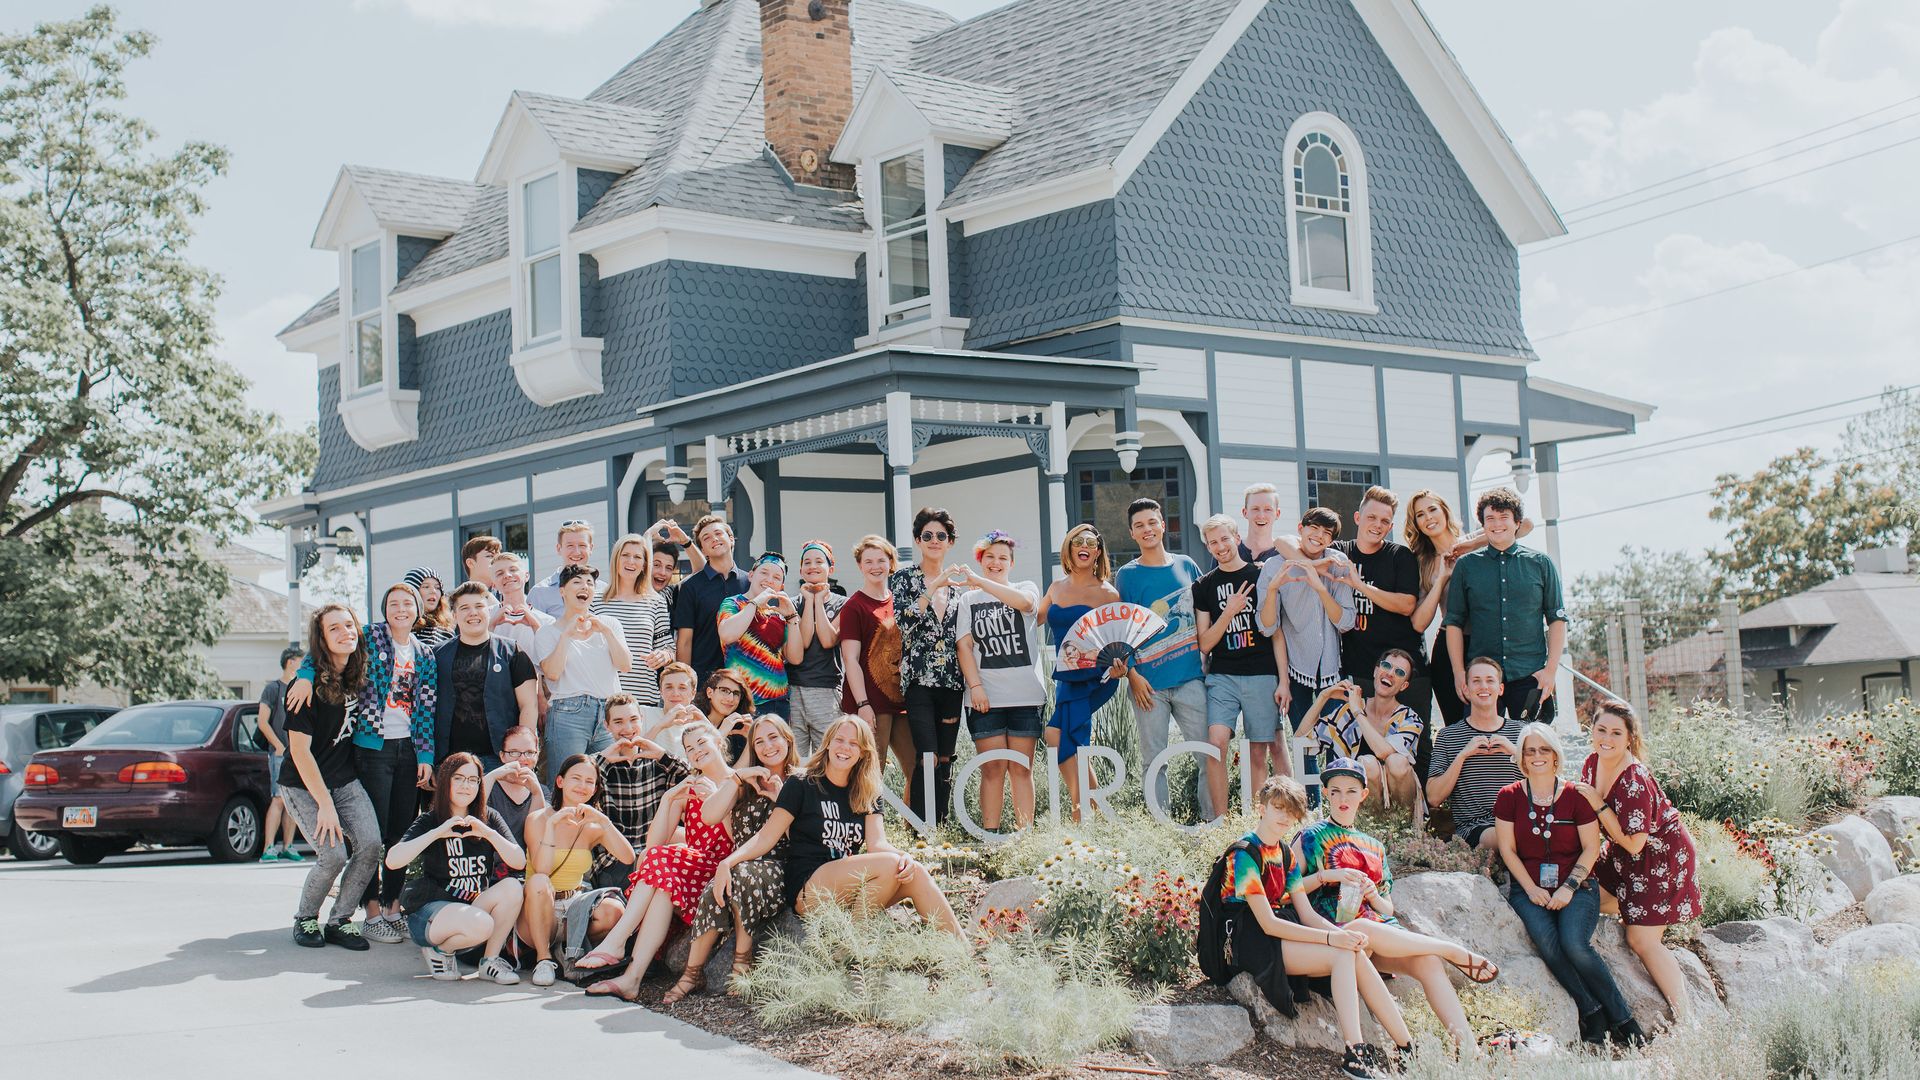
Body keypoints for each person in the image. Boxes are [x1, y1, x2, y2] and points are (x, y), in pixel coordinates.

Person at [1293, 758, 1498, 1051]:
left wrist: (1373, 895)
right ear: (1325, 793)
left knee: (1428, 962)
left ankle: (1469, 1051)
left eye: (1351, 791)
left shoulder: (1374, 845)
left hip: (1378, 936)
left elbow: (1387, 908)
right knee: (1363, 927)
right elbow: (1287, 887)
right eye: (1335, 791)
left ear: (1364, 794)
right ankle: (1450, 949)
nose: (1342, 798)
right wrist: (1327, 876)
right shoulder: (1310, 837)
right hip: (1336, 934)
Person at [1217, 775, 1411, 1079]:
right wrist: (1332, 938)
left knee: (1353, 951)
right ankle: (1355, 1052)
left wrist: (1343, 935)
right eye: (1278, 808)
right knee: (1341, 953)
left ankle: (1407, 1047)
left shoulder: (1285, 854)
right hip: (1249, 940)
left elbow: (1306, 914)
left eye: (1291, 811)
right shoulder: (1245, 853)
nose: (1284, 817)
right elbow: (1267, 923)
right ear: (1261, 808)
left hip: (1279, 932)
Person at [284, 583, 440, 943]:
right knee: (341, 851)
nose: (401, 609)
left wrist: (426, 754)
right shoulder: (368, 638)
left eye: (408, 603)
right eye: (393, 603)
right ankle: (335, 915)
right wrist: (304, 676)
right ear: (383, 610)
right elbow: (320, 652)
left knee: (387, 837)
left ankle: (372, 911)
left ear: (419, 611)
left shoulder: (422, 655)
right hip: (359, 756)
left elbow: (426, 707)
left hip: (395, 755)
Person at [714, 715, 962, 936]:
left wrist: (905, 856)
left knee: (915, 872)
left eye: (854, 743)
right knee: (890, 864)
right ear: (828, 743)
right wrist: (728, 862)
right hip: (810, 886)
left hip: (852, 887)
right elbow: (767, 837)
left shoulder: (868, 791)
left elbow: (877, 844)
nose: (845, 748)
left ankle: (963, 954)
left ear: (863, 752)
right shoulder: (802, 783)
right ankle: (853, 946)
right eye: (840, 740)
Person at [1496, 722, 1642, 1047]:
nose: (1536, 756)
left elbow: (1591, 848)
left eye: (1543, 749)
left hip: (1577, 886)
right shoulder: (1509, 797)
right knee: (1549, 945)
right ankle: (1592, 1012)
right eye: (1529, 751)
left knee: (1574, 944)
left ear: (1555, 755)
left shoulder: (1576, 795)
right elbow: (1507, 850)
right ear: (1521, 758)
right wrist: (1530, 889)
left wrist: (1568, 887)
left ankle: (1623, 1018)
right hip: (1528, 889)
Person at [583, 722, 739, 1000]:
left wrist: (716, 800)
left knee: (662, 868)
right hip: (691, 872)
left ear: (718, 741)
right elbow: (653, 847)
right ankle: (631, 979)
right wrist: (668, 799)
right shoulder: (690, 788)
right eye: (689, 749)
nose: (696, 751)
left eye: (701, 743)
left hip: (723, 872)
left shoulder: (738, 781)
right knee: (661, 882)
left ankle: (618, 941)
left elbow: (740, 840)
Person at [1571, 701, 1700, 1027]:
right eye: (1601, 730)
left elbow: (1634, 842)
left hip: (1659, 857)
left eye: (1616, 733)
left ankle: (1689, 1021)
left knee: (1640, 940)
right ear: (1591, 730)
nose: (1607, 739)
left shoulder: (1634, 780)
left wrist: (1598, 804)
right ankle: (1636, 907)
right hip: (1620, 857)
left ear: (1629, 738)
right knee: (1581, 892)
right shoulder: (1591, 763)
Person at [664, 715, 803, 1004]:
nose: (767, 746)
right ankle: (692, 973)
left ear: (788, 739)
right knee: (716, 888)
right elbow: (709, 815)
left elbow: (803, 838)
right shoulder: (745, 780)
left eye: (773, 737)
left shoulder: (801, 781)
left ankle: (742, 961)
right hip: (738, 863)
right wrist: (737, 778)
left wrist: (779, 798)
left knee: (740, 874)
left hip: (780, 866)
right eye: (759, 741)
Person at [280, 604, 380, 951]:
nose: (345, 632)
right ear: (321, 640)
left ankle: (339, 920)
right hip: (303, 783)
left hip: (344, 779)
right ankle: (306, 917)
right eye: (333, 628)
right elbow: (299, 752)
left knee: (370, 845)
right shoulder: (303, 688)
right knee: (333, 855)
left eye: (349, 625)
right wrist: (324, 804)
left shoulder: (359, 673)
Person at [385, 752, 526, 983]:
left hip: (473, 911)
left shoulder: (488, 818)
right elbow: (393, 860)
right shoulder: (432, 820)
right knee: (482, 923)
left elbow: (518, 861)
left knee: (512, 887)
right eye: (458, 778)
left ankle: (489, 962)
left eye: (472, 780)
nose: (465, 786)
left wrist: (488, 833)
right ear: (446, 782)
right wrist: (437, 833)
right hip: (432, 913)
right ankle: (440, 950)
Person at [1114, 498, 1213, 820]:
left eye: (1152, 522)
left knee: (1208, 755)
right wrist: (1132, 675)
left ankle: (1212, 822)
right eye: (1139, 525)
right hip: (1148, 686)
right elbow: (1121, 629)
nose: (1147, 529)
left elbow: (1206, 611)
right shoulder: (1127, 576)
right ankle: (1162, 827)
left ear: (1162, 525)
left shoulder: (1187, 565)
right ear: (1132, 533)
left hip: (1191, 678)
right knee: (1154, 760)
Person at [1404, 490, 1532, 729]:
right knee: (1459, 727)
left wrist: (1468, 544)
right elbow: (1419, 623)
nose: (1428, 517)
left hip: (1487, 643)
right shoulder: (1421, 563)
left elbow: (1526, 525)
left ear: (1444, 511)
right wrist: (1441, 578)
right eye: (1420, 514)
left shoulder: (1478, 540)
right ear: (1416, 523)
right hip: (1450, 645)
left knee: (1496, 722)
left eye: (1432, 509)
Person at [1444, 486, 1567, 725]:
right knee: (1483, 744)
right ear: (1483, 524)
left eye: (1504, 517)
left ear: (1517, 522)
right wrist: (1459, 673)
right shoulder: (1466, 567)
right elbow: (1454, 623)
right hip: (1482, 678)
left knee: (1532, 743)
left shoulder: (1541, 564)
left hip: (1530, 675)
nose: (1497, 524)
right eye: (1490, 518)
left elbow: (1557, 619)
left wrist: (1550, 671)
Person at [1257, 506, 1356, 797]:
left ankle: (1340, 810)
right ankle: (1311, 810)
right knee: (1305, 746)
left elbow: (1346, 622)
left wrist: (1321, 588)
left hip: (1333, 669)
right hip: (1296, 669)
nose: (1319, 536)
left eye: (1327, 533)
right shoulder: (1276, 566)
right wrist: (1273, 590)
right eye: (1314, 528)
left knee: (1337, 745)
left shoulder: (1337, 564)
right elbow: (1267, 627)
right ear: (1301, 528)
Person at [1194, 515, 1287, 814]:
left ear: (1236, 538)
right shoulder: (1204, 586)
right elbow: (1205, 643)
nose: (1220, 546)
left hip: (1261, 673)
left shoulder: (1260, 575)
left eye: (1225, 539)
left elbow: (1276, 632)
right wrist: (1229, 611)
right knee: (1216, 744)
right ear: (1208, 547)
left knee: (1258, 751)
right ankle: (1220, 821)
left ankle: (1257, 819)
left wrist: (1283, 681)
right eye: (1213, 542)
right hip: (1223, 676)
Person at [517, 754, 635, 987]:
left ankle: (566, 950)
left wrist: (604, 822)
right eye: (576, 778)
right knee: (539, 882)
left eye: (589, 781)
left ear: (595, 789)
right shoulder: (537, 819)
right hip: (538, 910)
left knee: (614, 911)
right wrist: (552, 826)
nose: (582, 786)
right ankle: (543, 959)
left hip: (573, 909)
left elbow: (627, 857)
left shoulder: (593, 825)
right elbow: (542, 869)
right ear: (560, 781)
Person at [955, 530, 1044, 832]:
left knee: (1021, 767)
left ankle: (1024, 837)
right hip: (985, 698)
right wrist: (976, 687)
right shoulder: (968, 599)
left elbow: (1025, 604)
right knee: (992, 768)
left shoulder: (1025, 587)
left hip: (1025, 696)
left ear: (1011, 563)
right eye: (990, 557)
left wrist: (982, 582)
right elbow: (964, 646)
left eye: (1003, 558)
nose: (996, 563)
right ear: (980, 560)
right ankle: (990, 836)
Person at [1035, 523, 1123, 822]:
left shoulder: (1108, 593)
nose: (1084, 546)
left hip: (1094, 676)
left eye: (1091, 542)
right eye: (1078, 541)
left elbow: (1119, 639)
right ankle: (1091, 814)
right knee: (1064, 738)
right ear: (1069, 549)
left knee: (1057, 734)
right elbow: (1033, 619)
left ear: (1097, 552)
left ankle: (1081, 814)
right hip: (1065, 674)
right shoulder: (1055, 588)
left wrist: (1123, 670)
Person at [891, 508, 967, 825]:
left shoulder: (959, 588)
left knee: (946, 757)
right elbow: (904, 622)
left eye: (941, 536)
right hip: (919, 681)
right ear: (917, 540)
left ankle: (942, 824)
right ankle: (921, 827)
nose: (934, 540)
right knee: (927, 755)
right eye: (927, 535)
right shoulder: (903, 579)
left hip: (952, 681)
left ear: (950, 542)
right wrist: (932, 587)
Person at [1327, 487, 1426, 724]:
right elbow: (1295, 547)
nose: (1377, 525)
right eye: (1371, 517)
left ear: (1390, 527)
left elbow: (1407, 605)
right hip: (1360, 670)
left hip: (1404, 672)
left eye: (1384, 521)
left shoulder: (1399, 556)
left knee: (1414, 742)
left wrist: (1360, 585)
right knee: (1359, 741)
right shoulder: (1340, 552)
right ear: (1357, 517)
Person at [1294, 649, 1424, 813]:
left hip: (1404, 806)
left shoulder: (1410, 719)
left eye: (1399, 672)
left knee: (1396, 762)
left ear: (1404, 685)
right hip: (1360, 806)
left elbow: (1383, 752)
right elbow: (1301, 738)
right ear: (1376, 671)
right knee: (1367, 764)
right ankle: (1372, 825)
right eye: (1386, 666)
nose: (1390, 673)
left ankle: (1403, 825)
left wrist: (1358, 712)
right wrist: (1324, 696)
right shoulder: (1348, 712)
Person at [535, 563, 633, 780]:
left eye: (590, 583)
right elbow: (552, 673)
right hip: (568, 713)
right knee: (566, 780)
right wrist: (566, 636)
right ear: (562, 591)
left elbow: (625, 665)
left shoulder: (610, 624)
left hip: (609, 712)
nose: (585, 587)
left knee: (612, 781)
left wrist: (606, 632)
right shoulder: (547, 632)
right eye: (577, 582)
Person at [434, 581, 538, 770]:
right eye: (465, 608)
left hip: (500, 757)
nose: (473, 613)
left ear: (489, 612)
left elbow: (529, 705)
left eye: (479, 606)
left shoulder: (512, 651)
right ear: (454, 616)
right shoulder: (437, 655)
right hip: (450, 759)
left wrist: (522, 754)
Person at [588, 693, 688, 889]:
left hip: (652, 856)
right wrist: (603, 761)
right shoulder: (597, 764)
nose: (627, 728)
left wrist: (663, 755)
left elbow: (692, 777)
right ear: (607, 726)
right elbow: (576, 788)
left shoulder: (658, 762)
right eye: (618, 722)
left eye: (633, 719)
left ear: (642, 719)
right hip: (613, 863)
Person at [1425, 656, 1525, 849]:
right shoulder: (1448, 736)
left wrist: (1515, 751)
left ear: (1500, 689)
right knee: (1501, 836)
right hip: (1475, 827)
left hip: (1522, 820)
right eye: (1476, 681)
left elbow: (1546, 781)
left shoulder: (1521, 732)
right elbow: (1434, 797)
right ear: (1466, 689)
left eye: (1490, 680)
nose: (1483, 686)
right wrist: (1462, 755)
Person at [838, 535, 908, 789]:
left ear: (891, 563)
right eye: (868, 561)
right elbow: (850, 659)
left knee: (917, 768)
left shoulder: (900, 601)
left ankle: (914, 816)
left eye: (881, 560)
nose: (875, 566)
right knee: (870, 771)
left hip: (902, 702)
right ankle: (866, 815)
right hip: (871, 703)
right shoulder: (854, 607)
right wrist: (863, 704)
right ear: (860, 566)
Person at [593, 533, 676, 709]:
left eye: (637, 557)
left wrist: (663, 655)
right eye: (625, 555)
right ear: (616, 560)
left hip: (644, 699)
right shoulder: (595, 601)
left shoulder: (656, 602)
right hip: (603, 698)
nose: (631, 561)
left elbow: (669, 647)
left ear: (644, 565)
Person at [784, 541, 845, 759]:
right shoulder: (791, 604)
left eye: (819, 561)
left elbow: (829, 640)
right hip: (793, 688)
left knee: (826, 757)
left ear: (831, 568)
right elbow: (804, 641)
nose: (812, 566)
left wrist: (818, 601)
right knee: (795, 759)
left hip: (826, 689)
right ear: (801, 570)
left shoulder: (843, 604)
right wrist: (808, 600)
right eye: (807, 562)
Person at [718, 554, 797, 720]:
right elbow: (727, 635)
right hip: (742, 701)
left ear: (781, 586)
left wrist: (791, 616)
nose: (769, 580)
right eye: (764, 573)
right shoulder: (733, 603)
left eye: (777, 577)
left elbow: (795, 657)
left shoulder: (778, 614)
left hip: (779, 701)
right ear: (751, 575)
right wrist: (755, 603)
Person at [673, 514, 750, 682]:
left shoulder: (751, 582)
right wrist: (685, 683)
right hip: (704, 680)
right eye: (706, 538)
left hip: (747, 681)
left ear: (731, 539)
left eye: (718, 533)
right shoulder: (690, 587)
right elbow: (684, 642)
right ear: (703, 550)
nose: (714, 539)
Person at [257, 646, 305, 862]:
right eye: (301, 660)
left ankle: (288, 846)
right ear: (290, 662)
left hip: (298, 753)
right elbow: (262, 721)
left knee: (292, 801)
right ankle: (269, 847)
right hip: (280, 753)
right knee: (278, 799)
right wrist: (278, 745)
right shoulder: (273, 689)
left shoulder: (301, 687)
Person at [482, 725, 547, 854]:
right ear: (502, 756)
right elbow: (472, 814)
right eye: (514, 752)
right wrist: (492, 776)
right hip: (488, 861)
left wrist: (536, 793)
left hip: (524, 861)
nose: (522, 758)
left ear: (537, 755)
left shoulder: (542, 791)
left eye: (529, 752)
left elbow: (536, 838)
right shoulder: (489, 783)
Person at [528, 519, 603, 618]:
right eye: (570, 545)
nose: (577, 552)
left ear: (591, 548)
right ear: (559, 549)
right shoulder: (539, 592)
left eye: (582, 545)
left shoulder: (604, 591)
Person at [488, 552, 551, 657]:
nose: (507, 575)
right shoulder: (486, 616)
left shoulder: (546, 621)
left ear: (526, 576)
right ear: (494, 585)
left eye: (513, 570)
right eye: (500, 573)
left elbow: (551, 659)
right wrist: (491, 625)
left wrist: (537, 627)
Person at [404, 567, 455, 648]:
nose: (433, 591)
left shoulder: (447, 633)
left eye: (437, 588)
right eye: (426, 587)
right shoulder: (401, 628)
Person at [1237, 482, 1285, 565]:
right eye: (1255, 509)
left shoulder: (1284, 555)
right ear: (1245, 512)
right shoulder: (1230, 552)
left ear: (1277, 514)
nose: (1261, 516)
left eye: (1268, 509)